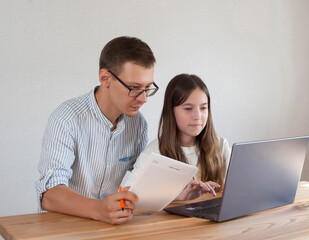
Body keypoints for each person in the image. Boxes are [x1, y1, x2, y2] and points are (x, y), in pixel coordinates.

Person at [36, 36, 158, 225]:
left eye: (147, 88)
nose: (143, 99)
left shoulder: (138, 124)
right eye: (134, 88)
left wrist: (174, 192)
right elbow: (49, 194)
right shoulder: (66, 118)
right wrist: (98, 209)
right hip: (63, 228)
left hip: (109, 226)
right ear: (105, 78)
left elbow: (140, 180)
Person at [124, 74, 231, 201]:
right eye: (188, 108)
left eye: (203, 108)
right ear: (171, 111)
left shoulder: (221, 146)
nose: (198, 116)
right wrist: (176, 196)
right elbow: (127, 193)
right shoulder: (155, 151)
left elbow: (238, 189)